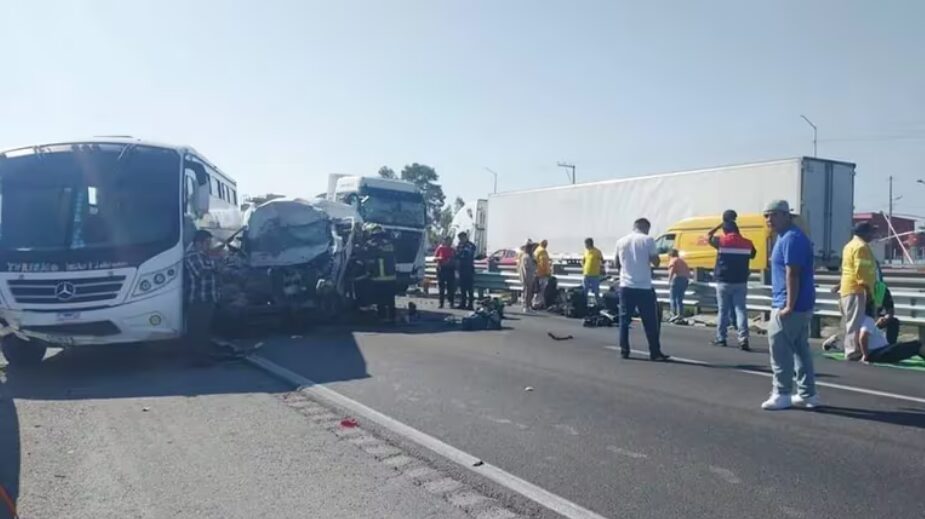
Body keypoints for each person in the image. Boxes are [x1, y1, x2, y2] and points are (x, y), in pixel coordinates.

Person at [761, 200, 818, 410]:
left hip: (790, 303)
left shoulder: (792, 238)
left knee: (780, 348)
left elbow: (793, 273)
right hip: (799, 303)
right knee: (799, 349)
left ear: (787, 215)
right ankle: (807, 393)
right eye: (766, 215)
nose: (769, 219)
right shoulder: (786, 237)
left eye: (774, 215)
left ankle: (782, 393)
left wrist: (788, 305)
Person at [614, 218, 670, 361]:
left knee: (624, 320)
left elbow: (616, 263)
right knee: (650, 321)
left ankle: (624, 350)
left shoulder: (621, 241)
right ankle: (655, 352)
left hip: (626, 286)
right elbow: (656, 262)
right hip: (644, 286)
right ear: (646, 227)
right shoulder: (648, 240)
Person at [707, 214, 757, 350]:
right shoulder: (747, 243)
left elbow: (708, 235)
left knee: (723, 311)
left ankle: (721, 338)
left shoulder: (721, 241)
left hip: (724, 281)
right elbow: (753, 255)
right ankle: (743, 339)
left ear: (725, 230)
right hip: (741, 281)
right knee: (741, 310)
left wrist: (720, 224)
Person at [840, 222, 877, 362]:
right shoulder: (861, 247)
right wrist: (867, 288)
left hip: (850, 287)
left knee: (852, 320)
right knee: (854, 322)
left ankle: (851, 348)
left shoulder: (850, 245)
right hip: (857, 289)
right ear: (865, 233)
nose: (873, 235)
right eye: (871, 232)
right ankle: (852, 351)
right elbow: (860, 270)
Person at [184, 229, 222, 367]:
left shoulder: (206, 257)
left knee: (204, 330)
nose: (209, 245)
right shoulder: (192, 256)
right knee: (197, 331)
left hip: (209, 298)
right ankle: (197, 360)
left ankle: (202, 357)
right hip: (199, 300)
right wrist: (215, 261)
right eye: (207, 242)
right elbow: (201, 272)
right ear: (199, 243)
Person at [357, 224, 398, 322]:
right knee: (390, 299)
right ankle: (392, 317)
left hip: (378, 277)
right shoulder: (389, 244)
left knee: (381, 299)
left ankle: (382, 317)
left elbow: (365, 257)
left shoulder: (371, 244)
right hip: (391, 277)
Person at [856, 314, 925, 364]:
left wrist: (878, 325)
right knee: (917, 345)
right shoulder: (868, 319)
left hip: (883, 349)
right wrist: (865, 355)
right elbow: (862, 337)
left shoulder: (863, 319)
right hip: (879, 353)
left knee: (893, 321)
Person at [666, 249, 690, 323]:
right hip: (685, 279)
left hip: (677, 279)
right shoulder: (682, 261)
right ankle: (680, 314)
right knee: (680, 299)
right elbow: (687, 271)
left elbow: (672, 270)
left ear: (670, 255)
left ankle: (673, 314)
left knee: (673, 298)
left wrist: (669, 280)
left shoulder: (673, 260)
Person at [455, 231, 477, 310]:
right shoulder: (460, 245)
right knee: (463, 288)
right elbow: (456, 255)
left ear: (465, 237)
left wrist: (460, 253)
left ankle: (470, 305)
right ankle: (463, 303)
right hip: (461, 269)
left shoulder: (470, 245)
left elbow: (467, 254)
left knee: (470, 288)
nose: (461, 240)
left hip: (468, 269)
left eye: (462, 238)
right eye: (460, 238)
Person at [434, 236, 456, 309]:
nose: (448, 243)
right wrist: (440, 259)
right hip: (442, 268)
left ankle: (451, 302)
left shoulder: (453, 249)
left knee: (451, 287)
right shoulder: (440, 248)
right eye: (447, 241)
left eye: (450, 241)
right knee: (441, 287)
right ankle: (441, 303)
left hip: (450, 269)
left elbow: (455, 258)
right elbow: (435, 258)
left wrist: (451, 261)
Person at [517, 240, 537, 313]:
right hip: (526, 277)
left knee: (529, 292)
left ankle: (528, 306)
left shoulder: (530, 256)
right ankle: (525, 306)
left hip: (530, 276)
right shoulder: (526, 257)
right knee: (526, 292)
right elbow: (527, 267)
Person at [533, 239, 552, 308]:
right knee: (541, 289)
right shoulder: (542, 251)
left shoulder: (537, 251)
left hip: (537, 272)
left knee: (538, 289)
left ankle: (538, 303)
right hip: (542, 273)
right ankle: (538, 303)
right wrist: (547, 272)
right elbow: (543, 263)